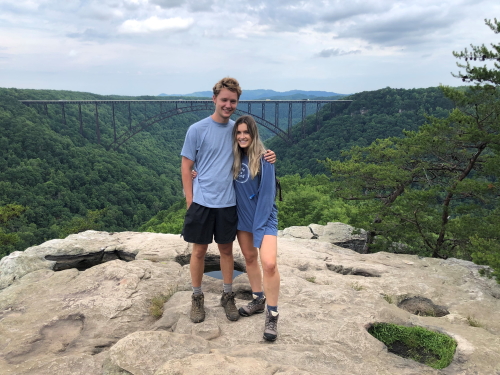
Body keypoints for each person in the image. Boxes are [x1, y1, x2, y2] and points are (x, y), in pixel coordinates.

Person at [180, 77, 275, 324]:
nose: (228, 104)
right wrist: (190, 200)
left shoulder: (236, 130)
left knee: (226, 251)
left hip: (228, 203)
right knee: (199, 251)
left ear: (237, 102)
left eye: (233, 101)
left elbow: (251, 149)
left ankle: (227, 295)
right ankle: (197, 297)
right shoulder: (196, 129)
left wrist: (269, 155)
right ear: (214, 99)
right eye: (224, 99)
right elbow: (186, 165)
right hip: (201, 202)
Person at [232, 115, 281, 342]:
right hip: (242, 218)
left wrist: (259, 228)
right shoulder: (232, 157)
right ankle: (258, 299)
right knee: (250, 258)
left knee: (269, 264)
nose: (242, 136)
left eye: (246, 132)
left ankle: (272, 314)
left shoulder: (265, 158)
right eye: (238, 133)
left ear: (253, 134)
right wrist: (196, 175)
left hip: (263, 218)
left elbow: (268, 195)